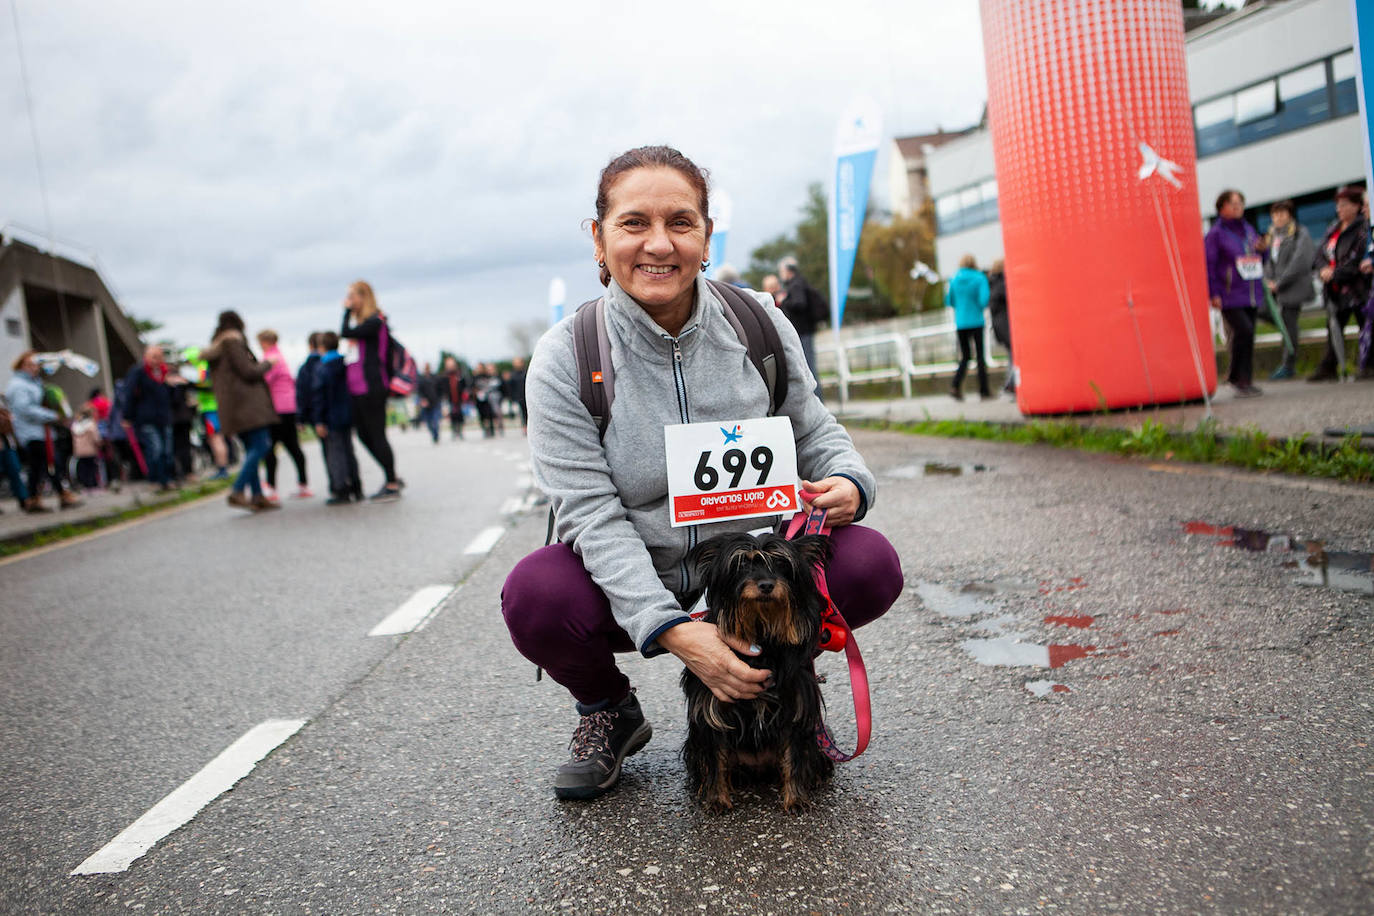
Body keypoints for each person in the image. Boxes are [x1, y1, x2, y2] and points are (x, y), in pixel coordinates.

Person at [501, 145, 903, 802]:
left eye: (681, 222)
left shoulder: (758, 323)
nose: (658, 244)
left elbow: (818, 433)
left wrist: (852, 483)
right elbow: (591, 517)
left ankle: (783, 687)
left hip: (750, 572)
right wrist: (675, 630)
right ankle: (607, 708)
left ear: (706, 235)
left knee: (870, 564)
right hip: (639, 572)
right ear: (598, 238)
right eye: (634, 223)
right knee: (536, 595)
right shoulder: (565, 358)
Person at [203, 311, 281, 512]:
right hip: (248, 405)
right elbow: (248, 371)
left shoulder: (217, 347)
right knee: (262, 445)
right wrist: (267, 364)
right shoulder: (233, 342)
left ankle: (257, 496)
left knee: (251, 449)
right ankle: (238, 489)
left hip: (232, 407)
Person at [340, 280, 402, 501]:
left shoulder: (376, 321)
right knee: (364, 435)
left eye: (351, 296)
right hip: (357, 388)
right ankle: (391, 473)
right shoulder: (366, 323)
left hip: (372, 386)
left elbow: (345, 331)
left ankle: (392, 482)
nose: (348, 300)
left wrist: (346, 312)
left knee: (376, 434)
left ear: (362, 297)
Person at [1205, 189, 1268, 397]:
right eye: (1233, 203)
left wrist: (1262, 250)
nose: (1238, 207)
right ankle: (1236, 376)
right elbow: (1210, 265)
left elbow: (1260, 258)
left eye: (1240, 203)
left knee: (1248, 335)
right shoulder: (1216, 234)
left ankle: (1245, 379)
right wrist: (1213, 293)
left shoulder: (1248, 229)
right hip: (1229, 293)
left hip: (1250, 291)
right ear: (1222, 207)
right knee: (1244, 330)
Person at [1309, 185, 1370, 382]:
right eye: (1337, 205)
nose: (1339, 209)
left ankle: (1368, 365)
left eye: (1344, 205)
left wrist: (1335, 273)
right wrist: (1323, 270)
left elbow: (1357, 259)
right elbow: (1319, 254)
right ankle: (1329, 366)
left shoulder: (1363, 229)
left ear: (1356, 206)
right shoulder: (1333, 228)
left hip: (1357, 289)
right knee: (1333, 328)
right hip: (1334, 291)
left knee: (1366, 326)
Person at [5, 351, 80, 510]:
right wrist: (51, 415)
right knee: (51, 463)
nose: (34, 368)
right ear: (20, 366)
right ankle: (60, 495)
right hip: (32, 432)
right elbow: (24, 409)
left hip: (41, 431)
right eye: (29, 365)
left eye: (35, 364)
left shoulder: (34, 383)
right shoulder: (19, 385)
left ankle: (34, 498)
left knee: (39, 466)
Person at [1263, 200, 1317, 380]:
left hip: (1292, 288)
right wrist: (1269, 280)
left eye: (1282, 213)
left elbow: (1300, 261)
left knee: (1288, 322)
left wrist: (1280, 282)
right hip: (1277, 289)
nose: (1278, 217)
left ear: (1290, 214)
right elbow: (1269, 261)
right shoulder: (1272, 236)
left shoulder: (1300, 233)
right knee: (1281, 321)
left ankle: (1288, 365)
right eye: (1275, 214)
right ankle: (1288, 359)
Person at [256, 330, 312, 500]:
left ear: (265, 341)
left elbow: (263, 381)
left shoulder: (270, 358)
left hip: (277, 409)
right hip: (289, 407)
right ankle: (303, 485)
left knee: (269, 449)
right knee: (293, 447)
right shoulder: (279, 355)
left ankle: (271, 488)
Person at [311, 331, 362, 505]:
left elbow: (319, 397)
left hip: (330, 416)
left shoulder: (322, 368)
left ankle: (341, 489)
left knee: (335, 453)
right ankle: (356, 486)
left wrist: (319, 420)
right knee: (349, 451)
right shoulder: (346, 363)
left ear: (322, 347)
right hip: (348, 413)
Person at [121, 344, 178, 491]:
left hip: (164, 417)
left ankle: (168, 479)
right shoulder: (138, 373)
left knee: (167, 451)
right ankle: (155, 480)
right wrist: (127, 416)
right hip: (146, 418)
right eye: (153, 356)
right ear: (146, 357)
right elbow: (129, 395)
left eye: (159, 357)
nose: (156, 360)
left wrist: (172, 386)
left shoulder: (165, 373)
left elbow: (173, 398)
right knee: (155, 449)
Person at [777, 256, 828, 396]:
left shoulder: (796, 285)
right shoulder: (799, 283)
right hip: (805, 331)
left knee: (808, 369)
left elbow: (799, 304)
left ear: (788, 271)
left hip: (803, 332)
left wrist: (784, 301)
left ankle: (817, 403)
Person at [945, 254, 992, 401]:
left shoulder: (954, 279)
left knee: (965, 356)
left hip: (961, 322)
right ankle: (984, 391)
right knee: (980, 357)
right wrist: (975, 307)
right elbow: (984, 300)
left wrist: (961, 308)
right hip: (977, 321)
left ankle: (955, 386)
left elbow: (949, 301)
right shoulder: (979, 278)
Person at [182, 347, 230, 479]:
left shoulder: (202, 368)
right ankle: (223, 467)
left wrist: (189, 384)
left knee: (216, 439)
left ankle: (222, 469)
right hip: (215, 407)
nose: (188, 364)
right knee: (217, 438)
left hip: (210, 409)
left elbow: (207, 387)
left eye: (188, 360)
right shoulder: (207, 367)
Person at [987, 259, 1014, 394]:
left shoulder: (992, 284)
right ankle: (1011, 383)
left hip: (998, 326)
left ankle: (1010, 382)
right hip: (1007, 325)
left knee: (1011, 355)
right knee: (1013, 355)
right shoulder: (1003, 284)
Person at [0, 397, 32, 512]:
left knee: (14, 471)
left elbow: (10, 422)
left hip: (7, 444)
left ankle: (23, 499)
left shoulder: (3, 400)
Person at [71, 405, 103, 489]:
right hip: (90, 450)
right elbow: (96, 437)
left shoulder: (75, 425)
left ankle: (85, 484)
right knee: (92, 468)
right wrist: (99, 444)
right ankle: (92, 484)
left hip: (79, 451)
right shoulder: (91, 425)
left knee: (83, 468)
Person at [440, 356, 468, 440]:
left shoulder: (459, 375)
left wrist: (465, 396)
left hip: (459, 399)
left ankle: (460, 431)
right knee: (452, 416)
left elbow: (464, 387)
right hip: (450, 399)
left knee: (460, 416)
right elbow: (443, 388)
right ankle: (454, 431)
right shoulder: (445, 377)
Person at [416, 362, 442, 443]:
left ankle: (436, 435)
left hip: (435, 402)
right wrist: (422, 399)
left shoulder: (435, 378)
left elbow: (440, 389)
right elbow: (419, 391)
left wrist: (439, 398)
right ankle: (433, 433)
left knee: (435, 420)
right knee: (428, 423)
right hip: (426, 404)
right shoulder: (421, 379)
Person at [507, 357, 528, 431]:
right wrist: (512, 398)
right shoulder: (513, 375)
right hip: (519, 397)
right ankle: (525, 426)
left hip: (527, 396)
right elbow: (511, 387)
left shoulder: (527, 372)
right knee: (522, 412)